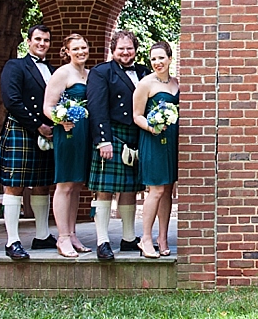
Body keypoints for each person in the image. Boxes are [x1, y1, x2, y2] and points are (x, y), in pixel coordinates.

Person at [0, 24, 58, 259]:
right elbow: (11, 100)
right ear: (28, 41)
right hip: (22, 129)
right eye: (38, 39)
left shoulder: (52, 70)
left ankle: (42, 236)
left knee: (43, 183)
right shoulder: (15, 66)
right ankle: (12, 241)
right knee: (15, 184)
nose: (42, 44)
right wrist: (36, 125)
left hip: (47, 131)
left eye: (46, 40)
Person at [87, 30, 150, 260]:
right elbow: (96, 107)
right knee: (105, 190)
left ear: (136, 49)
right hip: (112, 135)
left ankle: (128, 238)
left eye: (130, 48)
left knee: (129, 189)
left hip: (136, 135)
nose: (126, 52)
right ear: (113, 49)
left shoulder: (144, 71)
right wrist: (103, 139)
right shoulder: (102, 72)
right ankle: (102, 241)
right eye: (121, 48)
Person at [42, 33, 93, 258]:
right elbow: (48, 106)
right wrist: (61, 119)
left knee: (77, 185)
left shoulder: (90, 75)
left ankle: (72, 234)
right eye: (76, 48)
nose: (81, 51)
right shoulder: (62, 73)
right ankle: (62, 237)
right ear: (67, 51)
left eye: (84, 47)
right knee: (64, 185)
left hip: (86, 134)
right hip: (68, 133)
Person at [133, 42, 180, 259]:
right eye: (153, 59)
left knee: (168, 189)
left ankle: (162, 237)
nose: (157, 63)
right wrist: (152, 127)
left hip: (171, 141)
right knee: (156, 190)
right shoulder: (145, 84)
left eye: (161, 58)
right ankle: (145, 238)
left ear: (170, 58)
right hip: (153, 139)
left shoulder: (176, 83)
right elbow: (137, 115)